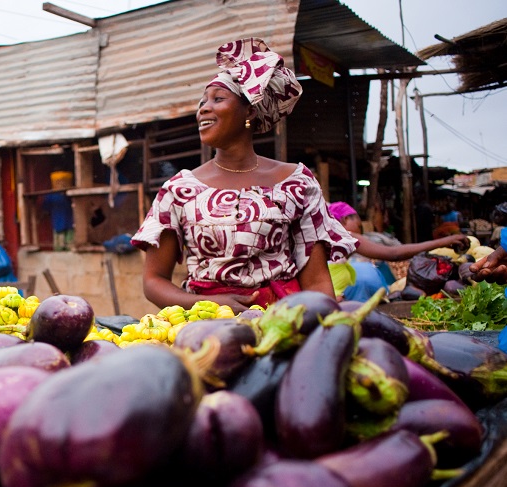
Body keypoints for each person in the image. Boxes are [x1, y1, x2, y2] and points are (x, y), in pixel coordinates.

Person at [131, 38, 356, 312]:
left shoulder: (296, 183)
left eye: (218, 99)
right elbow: (153, 281)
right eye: (202, 101)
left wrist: (323, 330)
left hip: (283, 322)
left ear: (249, 110)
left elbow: (318, 282)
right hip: (206, 326)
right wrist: (209, 303)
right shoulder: (179, 190)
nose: (203, 107)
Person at [327, 202, 467, 300]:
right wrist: (443, 242)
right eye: (359, 223)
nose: (360, 228)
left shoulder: (322, 237)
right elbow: (393, 253)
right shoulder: (343, 237)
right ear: (345, 219)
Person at [41, 171, 75, 251]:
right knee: (66, 247)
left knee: (61, 247)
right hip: (63, 224)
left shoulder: (69, 195)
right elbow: (45, 208)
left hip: (63, 224)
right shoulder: (52, 195)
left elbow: (45, 209)